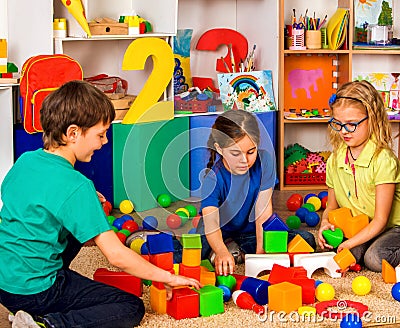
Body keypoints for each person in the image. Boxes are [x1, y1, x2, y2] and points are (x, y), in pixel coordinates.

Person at [0, 80, 201, 328]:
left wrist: (83, 204)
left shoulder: (25, 161)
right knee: (129, 307)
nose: (104, 142)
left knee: (69, 225)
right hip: (37, 292)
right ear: (73, 133)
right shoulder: (76, 185)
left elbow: (29, 205)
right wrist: (167, 277)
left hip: (6, 284)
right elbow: (116, 256)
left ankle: (27, 312)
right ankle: (48, 324)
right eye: (100, 134)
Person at [195, 110, 316, 276]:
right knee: (190, 251)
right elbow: (211, 224)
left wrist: (261, 251)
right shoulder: (212, 179)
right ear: (220, 149)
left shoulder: (265, 161)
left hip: (249, 233)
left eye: (250, 152)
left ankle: (238, 251)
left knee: (306, 240)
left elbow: (263, 212)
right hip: (217, 234)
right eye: (236, 153)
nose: (244, 160)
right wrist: (221, 251)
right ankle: (227, 251)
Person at [318, 80, 400, 272]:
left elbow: (380, 220)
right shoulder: (335, 160)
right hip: (363, 226)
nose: (343, 131)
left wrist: (349, 243)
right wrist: (324, 224)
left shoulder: (383, 160)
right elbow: (331, 206)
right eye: (338, 124)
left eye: (351, 124)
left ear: (372, 119)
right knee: (343, 253)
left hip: (392, 227)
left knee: (374, 259)